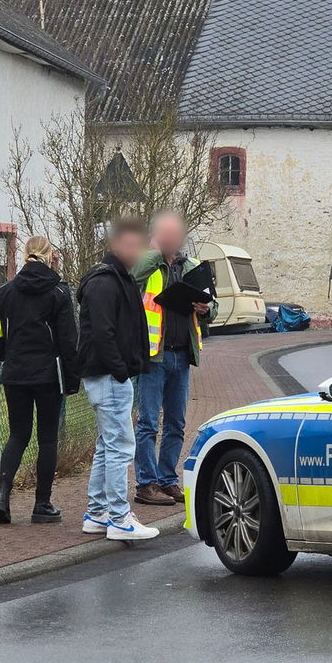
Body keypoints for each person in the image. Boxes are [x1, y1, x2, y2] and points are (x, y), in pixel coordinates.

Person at [76, 218, 161, 541]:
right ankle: (119, 518)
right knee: (120, 447)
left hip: (109, 374)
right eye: (131, 245)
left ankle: (97, 513)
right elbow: (103, 333)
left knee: (107, 445)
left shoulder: (116, 279)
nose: (136, 252)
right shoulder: (105, 283)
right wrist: (120, 369)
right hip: (109, 376)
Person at [0, 236, 78, 525]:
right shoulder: (58, 293)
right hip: (48, 375)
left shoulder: (5, 292)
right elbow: (68, 340)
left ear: (25, 254)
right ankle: (42, 504)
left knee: (18, 435)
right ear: (50, 257)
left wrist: (7, 355)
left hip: (15, 374)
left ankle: (2, 495)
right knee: (47, 439)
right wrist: (71, 379)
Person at [132, 212, 215, 507]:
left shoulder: (191, 267)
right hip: (154, 356)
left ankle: (167, 479)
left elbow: (212, 307)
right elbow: (132, 280)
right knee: (148, 423)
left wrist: (206, 310)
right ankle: (146, 483)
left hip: (182, 355)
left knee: (176, 424)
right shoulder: (148, 265)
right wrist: (155, 253)